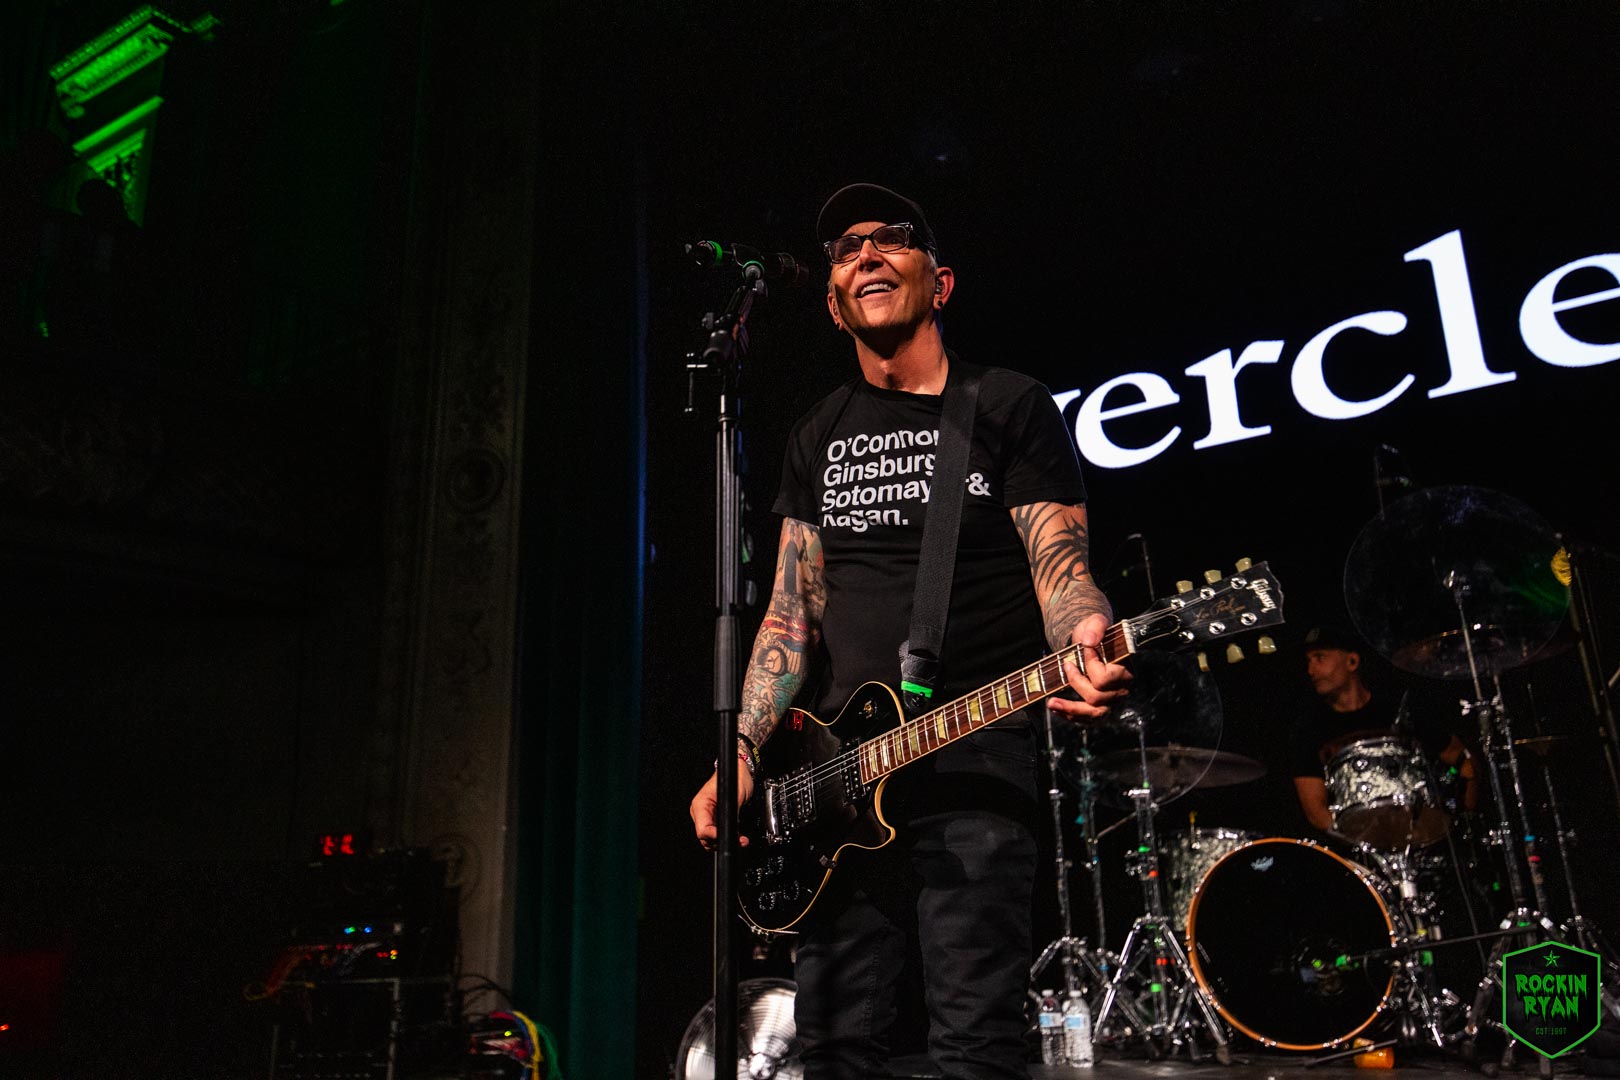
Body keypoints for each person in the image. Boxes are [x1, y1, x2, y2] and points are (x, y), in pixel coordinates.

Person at [688, 182, 1131, 1078]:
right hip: (832, 781)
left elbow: (1061, 564)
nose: (865, 253)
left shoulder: (1006, 404)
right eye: (845, 249)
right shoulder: (818, 431)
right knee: (835, 1045)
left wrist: (1084, 633)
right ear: (831, 303)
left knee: (974, 1042)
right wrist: (741, 751)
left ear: (941, 282)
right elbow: (790, 611)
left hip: (974, 755)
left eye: (891, 238)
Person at [1290, 623, 1476, 839]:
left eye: (1320, 658)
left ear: (1352, 661)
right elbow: (1316, 812)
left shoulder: (1399, 711)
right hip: (1357, 846)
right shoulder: (1309, 728)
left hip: (1418, 835)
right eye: (1308, 661)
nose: (1311, 670)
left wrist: (1464, 823)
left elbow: (1463, 760)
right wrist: (1366, 840)